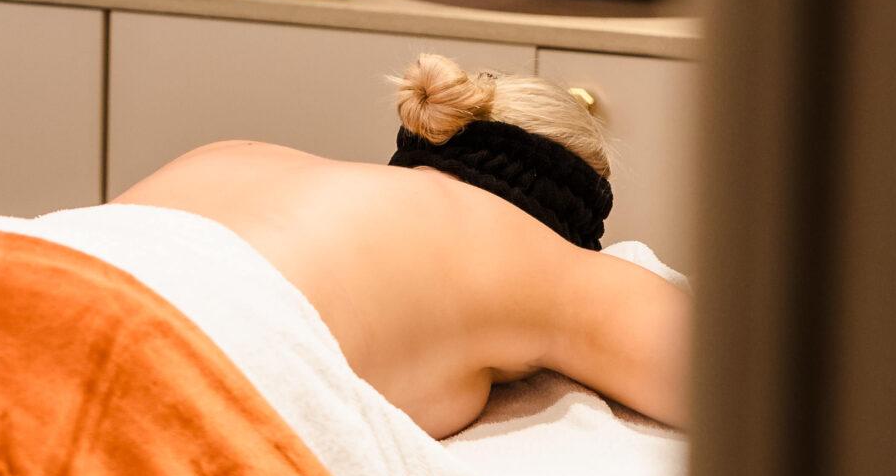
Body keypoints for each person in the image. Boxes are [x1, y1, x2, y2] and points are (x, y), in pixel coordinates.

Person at [115, 53, 692, 437]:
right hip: (173, 368)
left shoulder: (232, 152)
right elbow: (743, 389)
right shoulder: (532, 250)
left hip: (44, 263)